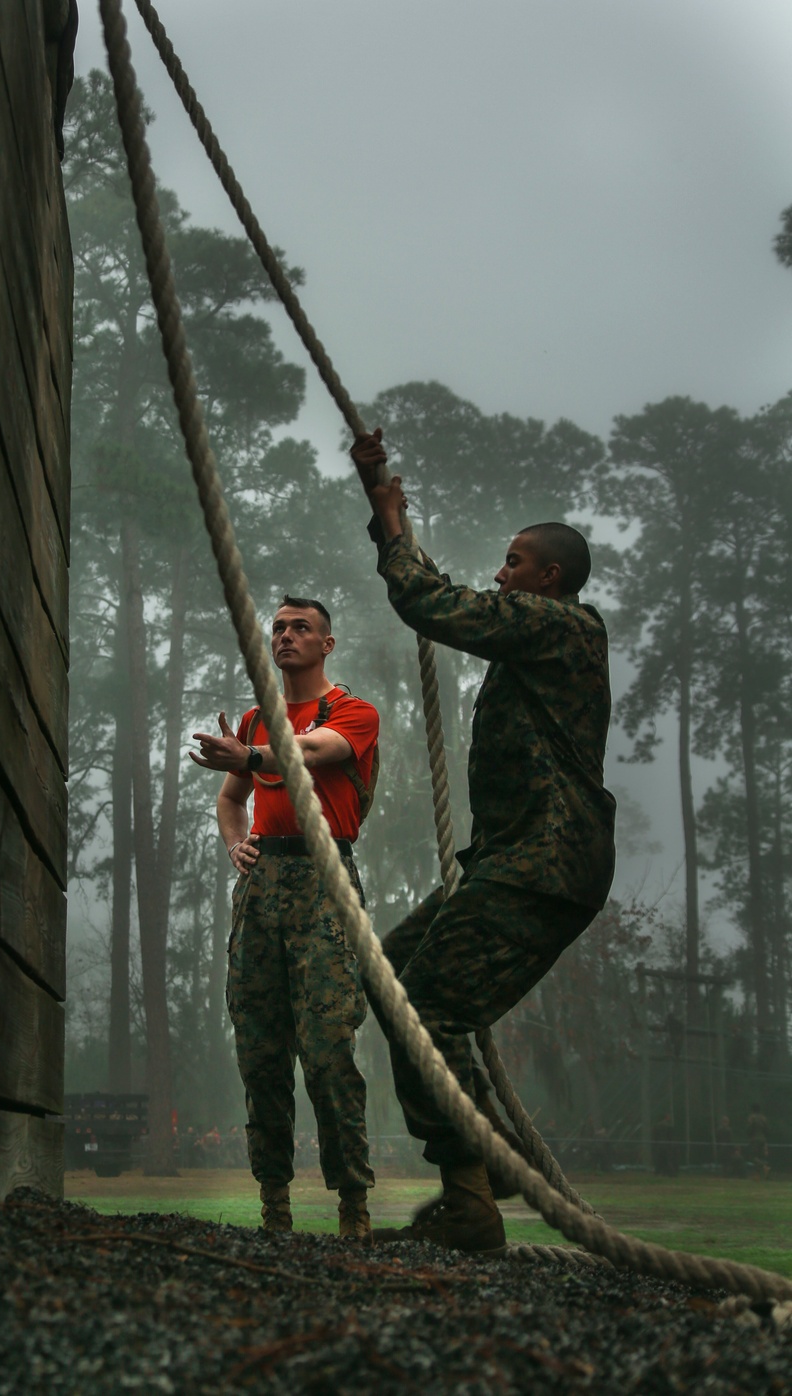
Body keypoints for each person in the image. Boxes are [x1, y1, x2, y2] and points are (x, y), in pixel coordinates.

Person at [349, 429, 617, 1253]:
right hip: (511, 860)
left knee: (429, 1006)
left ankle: (479, 1175)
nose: (503, 573)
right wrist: (381, 507)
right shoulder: (537, 636)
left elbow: (434, 603)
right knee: (393, 976)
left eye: (514, 561)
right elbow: (437, 595)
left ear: (551, 578)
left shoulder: (567, 629)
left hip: (549, 860)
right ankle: (476, 1180)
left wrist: (393, 524)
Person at [190, 595, 379, 1239]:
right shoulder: (252, 721)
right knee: (260, 1051)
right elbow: (230, 799)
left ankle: (353, 1206)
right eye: (278, 628)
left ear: (327, 643)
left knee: (328, 1051)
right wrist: (233, 839)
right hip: (261, 887)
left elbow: (310, 754)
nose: (287, 636)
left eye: (301, 628)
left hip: (324, 881)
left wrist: (247, 758)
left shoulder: (352, 713)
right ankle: (275, 1209)